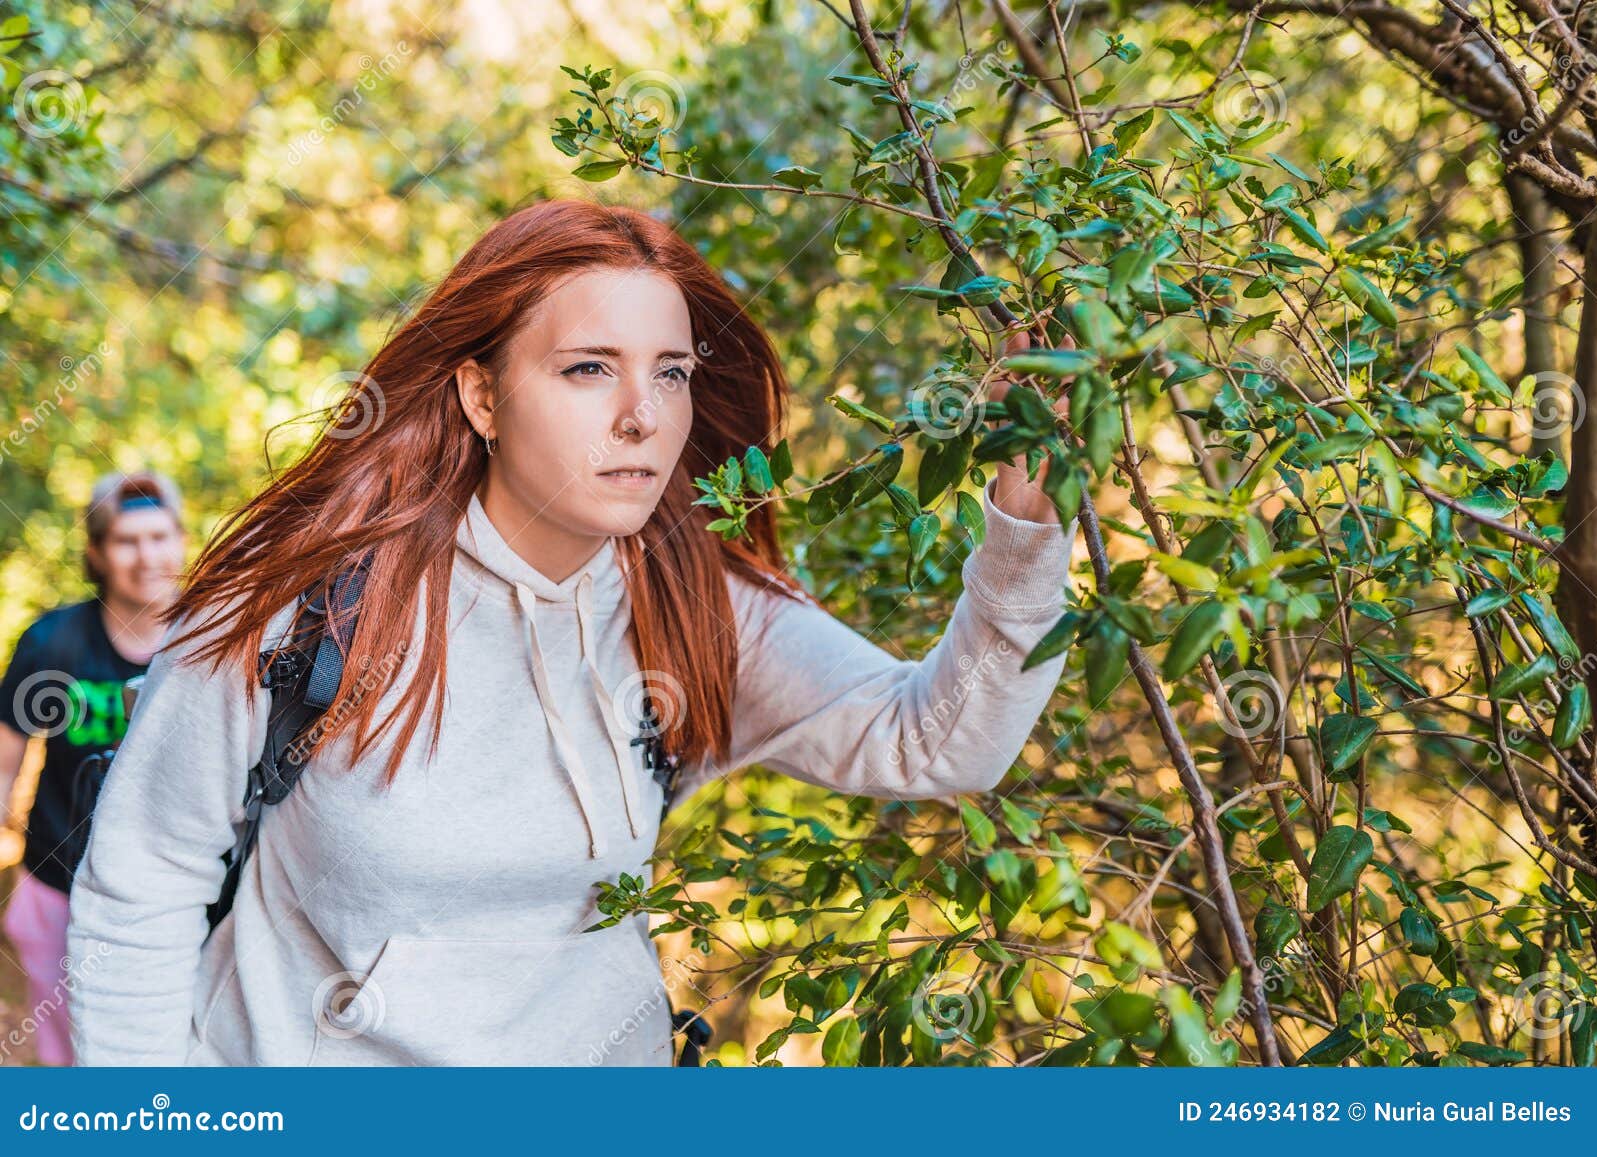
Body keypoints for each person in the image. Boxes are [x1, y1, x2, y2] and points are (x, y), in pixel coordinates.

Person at [66, 198, 1077, 1067]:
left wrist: (1026, 530)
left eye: (671, 372)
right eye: (590, 367)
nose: (641, 414)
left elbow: (939, 739)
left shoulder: (691, 602)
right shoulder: (302, 599)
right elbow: (143, 881)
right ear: (481, 394)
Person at [0, 471, 186, 1065]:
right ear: (96, 553)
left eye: (160, 536)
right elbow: (3, 763)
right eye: (127, 541)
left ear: (182, 540)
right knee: (70, 1060)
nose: (147, 556)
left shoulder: (211, 639)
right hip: (59, 889)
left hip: (176, 896)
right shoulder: (52, 643)